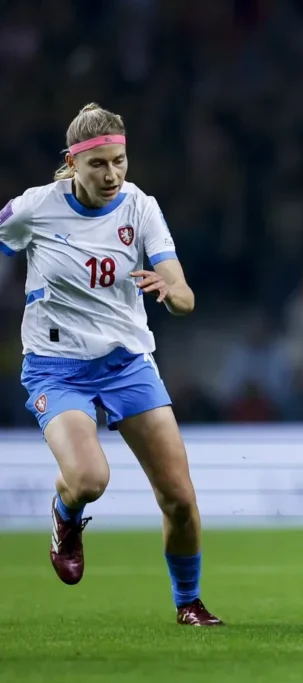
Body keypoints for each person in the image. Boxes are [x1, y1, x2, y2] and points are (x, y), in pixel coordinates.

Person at [0, 103, 220, 626]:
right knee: (89, 478)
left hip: (127, 364)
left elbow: (185, 295)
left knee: (180, 499)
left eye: (119, 161)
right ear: (72, 164)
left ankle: (188, 603)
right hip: (56, 367)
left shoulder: (141, 207)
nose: (112, 174)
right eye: (98, 164)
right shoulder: (34, 208)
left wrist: (171, 289)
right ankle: (65, 514)